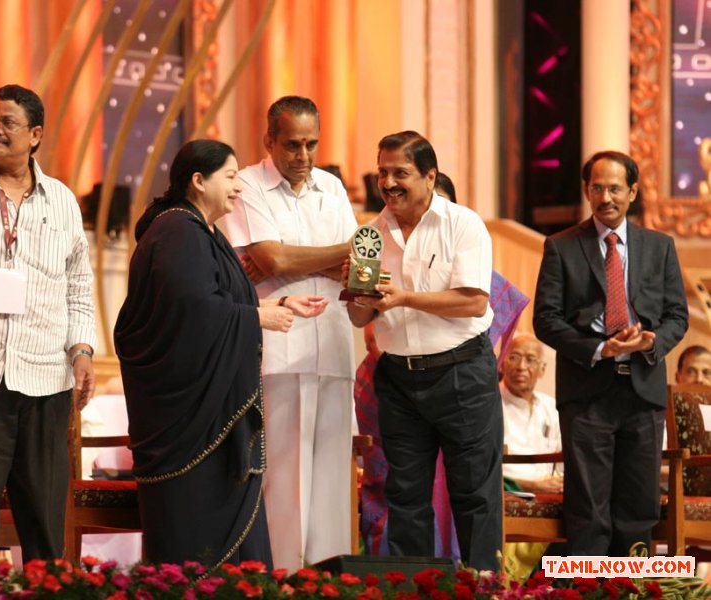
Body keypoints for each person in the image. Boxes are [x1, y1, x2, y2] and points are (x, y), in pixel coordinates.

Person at [115, 139, 328, 568]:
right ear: (198, 181)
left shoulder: (203, 233)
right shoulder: (178, 231)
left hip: (211, 412)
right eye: (230, 177)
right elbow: (192, 311)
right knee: (196, 542)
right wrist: (258, 320)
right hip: (189, 421)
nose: (239, 187)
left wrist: (277, 306)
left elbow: (219, 302)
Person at [347, 131, 502, 571]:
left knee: (474, 494)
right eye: (383, 173)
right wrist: (357, 295)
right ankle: (415, 591)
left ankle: (482, 588)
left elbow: (473, 301)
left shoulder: (462, 223)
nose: (389, 182)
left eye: (401, 173)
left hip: (462, 374)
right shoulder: (369, 235)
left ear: (430, 177)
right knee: (406, 496)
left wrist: (402, 297)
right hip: (397, 379)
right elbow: (361, 319)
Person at [222, 96, 357, 570]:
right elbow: (271, 259)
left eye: (311, 144)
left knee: (332, 485)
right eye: (292, 145)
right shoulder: (247, 184)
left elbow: (356, 266)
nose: (303, 156)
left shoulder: (332, 187)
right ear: (269, 141)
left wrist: (295, 257)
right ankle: (285, 579)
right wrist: (334, 252)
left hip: (335, 347)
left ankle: (329, 580)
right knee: (283, 481)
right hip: (279, 350)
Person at [533, 150, 688, 556]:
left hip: (644, 393)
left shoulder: (660, 247)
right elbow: (545, 320)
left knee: (639, 509)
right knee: (588, 510)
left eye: (615, 188)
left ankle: (632, 589)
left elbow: (677, 316)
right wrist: (600, 348)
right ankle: (591, 589)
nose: (606, 197)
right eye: (597, 187)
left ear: (633, 191)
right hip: (586, 394)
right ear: (587, 190)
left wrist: (651, 341)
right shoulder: (561, 247)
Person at [0, 84, 96, 563]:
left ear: (36, 134)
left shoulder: (62, 200)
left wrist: (82, 351)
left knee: (45, 523)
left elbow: (79, 288)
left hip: (46, 379)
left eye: (7, 122)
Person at [500, 334, 562, 494]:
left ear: (542, 369)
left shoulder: (552, 408)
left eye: (530, 359)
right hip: (505, 494)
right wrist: (533, 486)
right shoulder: (489, 404)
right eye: (514, 357)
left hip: (550, 491)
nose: (521, 366)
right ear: (502, 363)